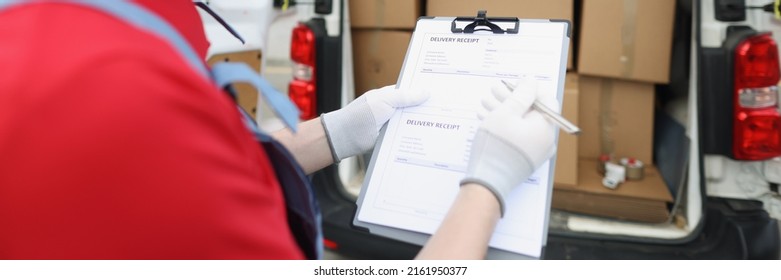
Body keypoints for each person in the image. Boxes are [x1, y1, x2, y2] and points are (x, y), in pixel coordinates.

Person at [0, 0, 556, 260]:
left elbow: (189, 176)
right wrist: (488, 184)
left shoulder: (46, 33)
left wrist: (334, 133)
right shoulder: (130, 89)